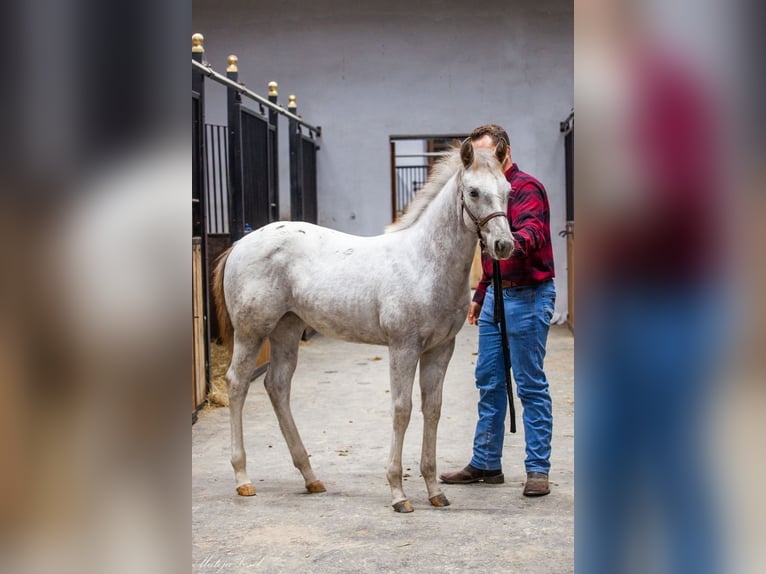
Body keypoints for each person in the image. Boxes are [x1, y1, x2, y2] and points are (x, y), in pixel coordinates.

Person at [439, 124, 556, 497]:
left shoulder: (526, 187)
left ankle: (537, 469)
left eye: (489, 155)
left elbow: (534, 231)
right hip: (497, 296)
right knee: (488, 380)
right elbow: (489, 254)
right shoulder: (484, 186)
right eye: (477, 156)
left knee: (529, 383)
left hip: (529, 294)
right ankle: (486, 464)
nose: (483, 162)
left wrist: (511, 242)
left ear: (505, 153)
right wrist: (481, 294)